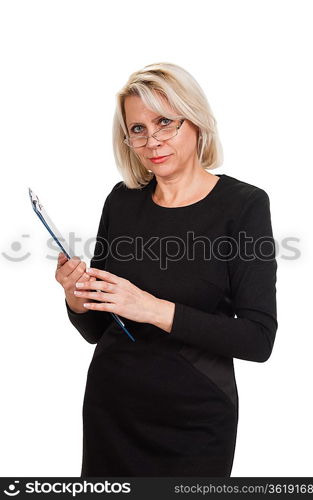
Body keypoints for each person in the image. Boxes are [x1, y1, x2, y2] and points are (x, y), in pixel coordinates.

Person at [55, 62, 278, 477]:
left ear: (195, 121)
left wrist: (154, 308)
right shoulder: (122, 201)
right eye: (137, 128)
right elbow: (96, 332)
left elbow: (258, 339)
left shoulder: (243, 206)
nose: (151, 140)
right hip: (112, 410)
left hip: (194, 421)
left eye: (164, 122)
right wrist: (77, 299)